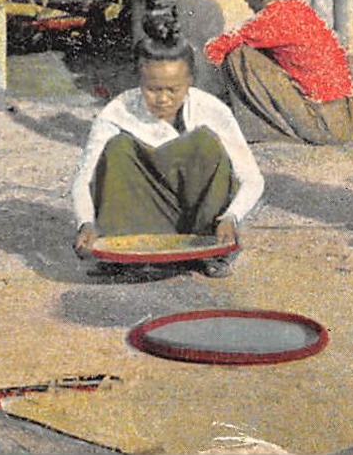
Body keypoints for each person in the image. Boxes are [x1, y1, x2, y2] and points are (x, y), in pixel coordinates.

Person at [71, 29, 265, 277]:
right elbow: (84, 177)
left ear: (190, 81)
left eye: (173, 89)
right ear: (139, 80)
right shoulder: (117, 111)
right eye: (153, 89)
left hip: (198, 222)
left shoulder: (212, 110)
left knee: (205, 144)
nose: (163, 99)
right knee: (117, 148)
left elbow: (252, 178)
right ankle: (120, 255)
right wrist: (85, 223)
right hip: (140, 222)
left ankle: (209, 252)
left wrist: (231, 218)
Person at [203, 0, 353, 145]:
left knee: (237, 56)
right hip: (345, 117)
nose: (245, 1)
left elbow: (213, 50)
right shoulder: (299, 9)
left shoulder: (271, 19)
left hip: (325, 125)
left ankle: (256, 130)